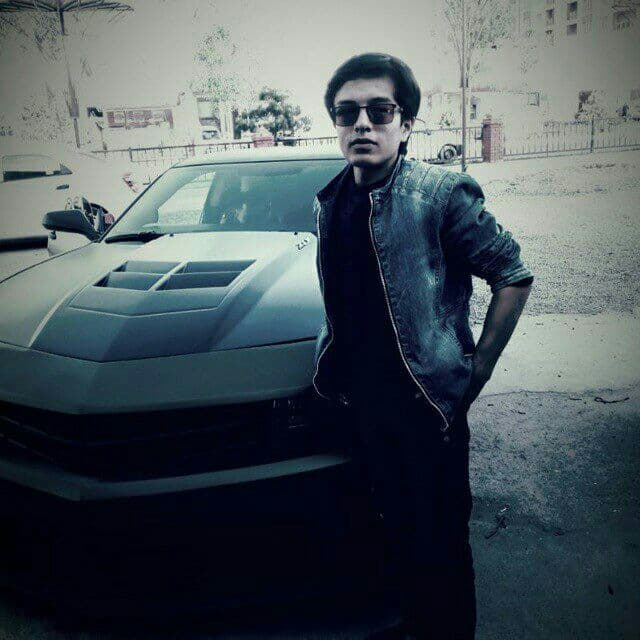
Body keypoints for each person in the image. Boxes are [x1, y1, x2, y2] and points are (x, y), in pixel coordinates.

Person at [311, 53, 534, 640]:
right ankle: (414, 624)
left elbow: (512, 274)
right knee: (394, 530)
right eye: (347, 113)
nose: (362, 123)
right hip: (362, 403)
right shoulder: (331, 200)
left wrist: (477, 371)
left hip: (427, 404)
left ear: (406, 123)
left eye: (379, 111)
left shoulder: (438, 195)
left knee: (442, 541)